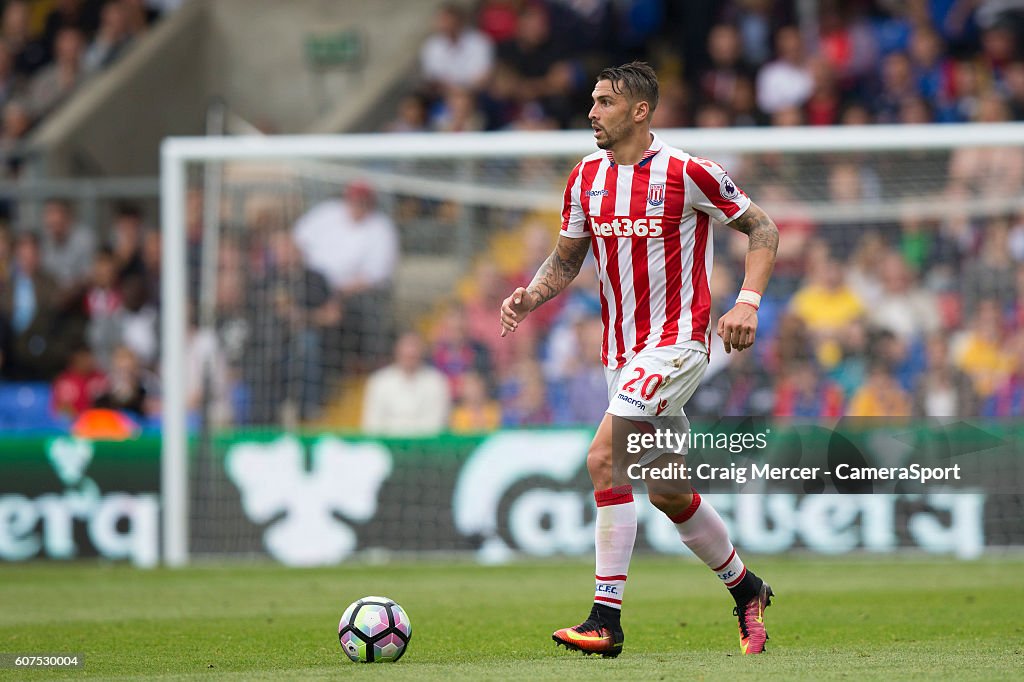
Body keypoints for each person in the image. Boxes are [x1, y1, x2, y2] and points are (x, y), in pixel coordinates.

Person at [499, 62, 780, 657]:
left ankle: (606, 619)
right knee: (668, 492)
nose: (592, 111)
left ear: (639, 111)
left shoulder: (686, 171)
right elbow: (568, 258)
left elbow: (762, 227)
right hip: (621, 354)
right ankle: (747, 588)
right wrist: (531, 295)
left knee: (604, 457)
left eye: (604, 102)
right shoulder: (584, 178)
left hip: (678, 343)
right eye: (592, 101)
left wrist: (747, 303)